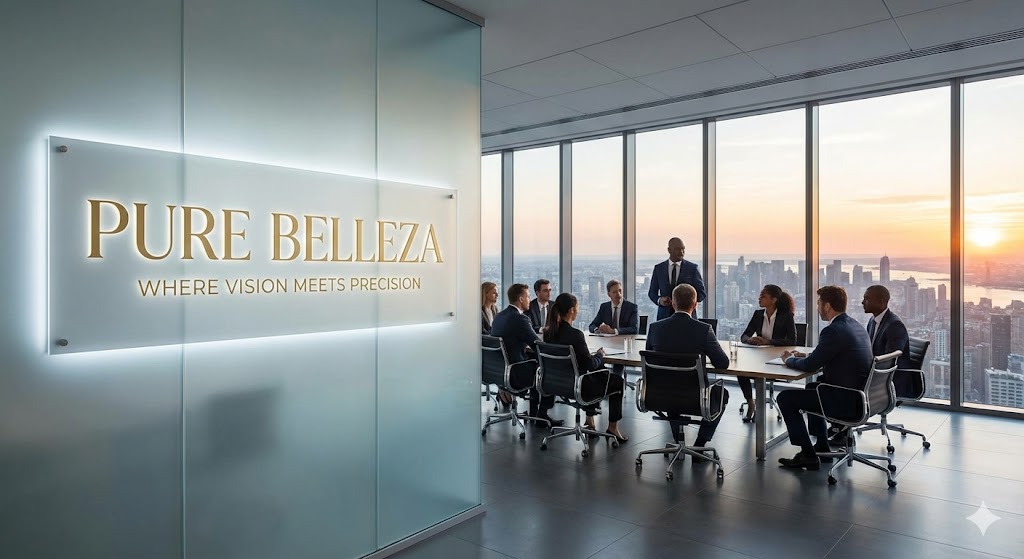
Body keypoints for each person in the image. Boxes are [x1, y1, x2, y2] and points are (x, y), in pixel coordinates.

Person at [776, 286, 874, 471]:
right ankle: (821, 445)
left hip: (844, 400)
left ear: (827, 305)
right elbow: (829, 356)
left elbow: (810, 366)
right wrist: (806, 357)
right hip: (860, 396)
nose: (818, 308)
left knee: (785, 399)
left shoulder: (833, 331)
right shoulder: (854, 325)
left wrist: (789, 359)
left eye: (819, 304)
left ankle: (807, 454)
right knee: (813, 387)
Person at [646, 284, 730, 457]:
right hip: (696, 398)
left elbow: (650, 360)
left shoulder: (655, 328)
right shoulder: (703, 330)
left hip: (659, 395)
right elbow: (722, 363)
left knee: (671, 384)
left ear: (673, 304)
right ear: (695, 305)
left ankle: (677, 441)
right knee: (722, 393)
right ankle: (700, 444)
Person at [543, 292, 628, 442]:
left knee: (597, 372)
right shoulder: (575, 335)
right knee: (616, 381)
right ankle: (612, 428)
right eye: (577, 307)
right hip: (578, 386)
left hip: (556, 383)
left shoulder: (548, 333)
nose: (578, 310)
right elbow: (589, 364)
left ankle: (590, 421)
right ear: (571, 310)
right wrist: (600, 355)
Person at [491, 283, 564, 427]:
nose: (530, 299)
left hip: (498, 371)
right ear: (520, 299)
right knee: (547, 369)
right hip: (515, 372)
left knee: (536, 364)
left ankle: (534, 414)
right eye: (528, 296)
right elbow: (537, 345)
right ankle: (541, 415)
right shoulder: (520, 319)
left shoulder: (499, 316)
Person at [737, 284, 797, 422]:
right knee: (741, 372)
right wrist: (750, 339)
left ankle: (758, 405)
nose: (759, 298)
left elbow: (792, 340)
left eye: (763, 296)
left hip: (777, 360)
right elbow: (744, 336)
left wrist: (768, 342)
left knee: (756, 374)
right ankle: (751, 403)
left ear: (774, 299)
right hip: (758, 358)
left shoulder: (786, 316)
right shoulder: (758, 314)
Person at [648, 237, 706, 321]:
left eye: (683, 249)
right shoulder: (659, 268)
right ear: (669, 250)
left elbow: (702, 293)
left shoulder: (692, 268)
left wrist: (688, 302)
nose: (681, 252)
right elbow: (652, 293)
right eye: (677, 249)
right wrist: (660, 300)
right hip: (664, 318)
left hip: (687, 318)